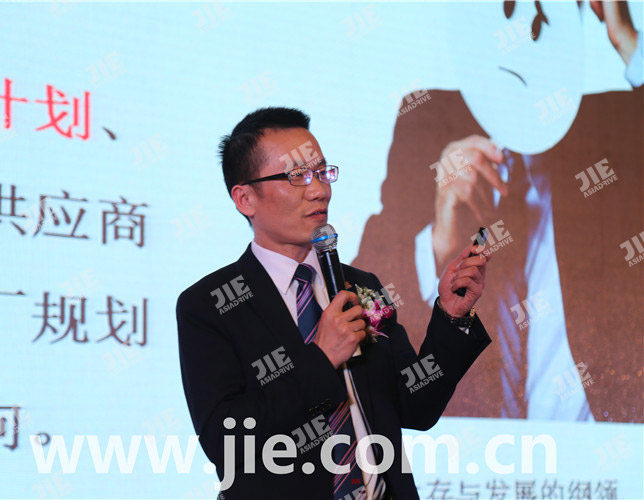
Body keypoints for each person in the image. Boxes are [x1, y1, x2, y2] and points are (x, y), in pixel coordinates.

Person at [176, 107, 493, 500]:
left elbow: (416, 407)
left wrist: (451, 317)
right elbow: (227, 442)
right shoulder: (210, 305)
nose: (319, 190)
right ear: (245, 198)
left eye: (322, 173)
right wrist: (322, 358)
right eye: (297, 176)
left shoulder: (361, 287)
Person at [354, 1, 643, 422]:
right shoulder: (427, 118)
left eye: (544, 20)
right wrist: (440, 239)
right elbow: (363, 304)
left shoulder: (613, 125)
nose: (522, 37)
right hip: (466, 448)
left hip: (598, 447)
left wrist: (627, 39)